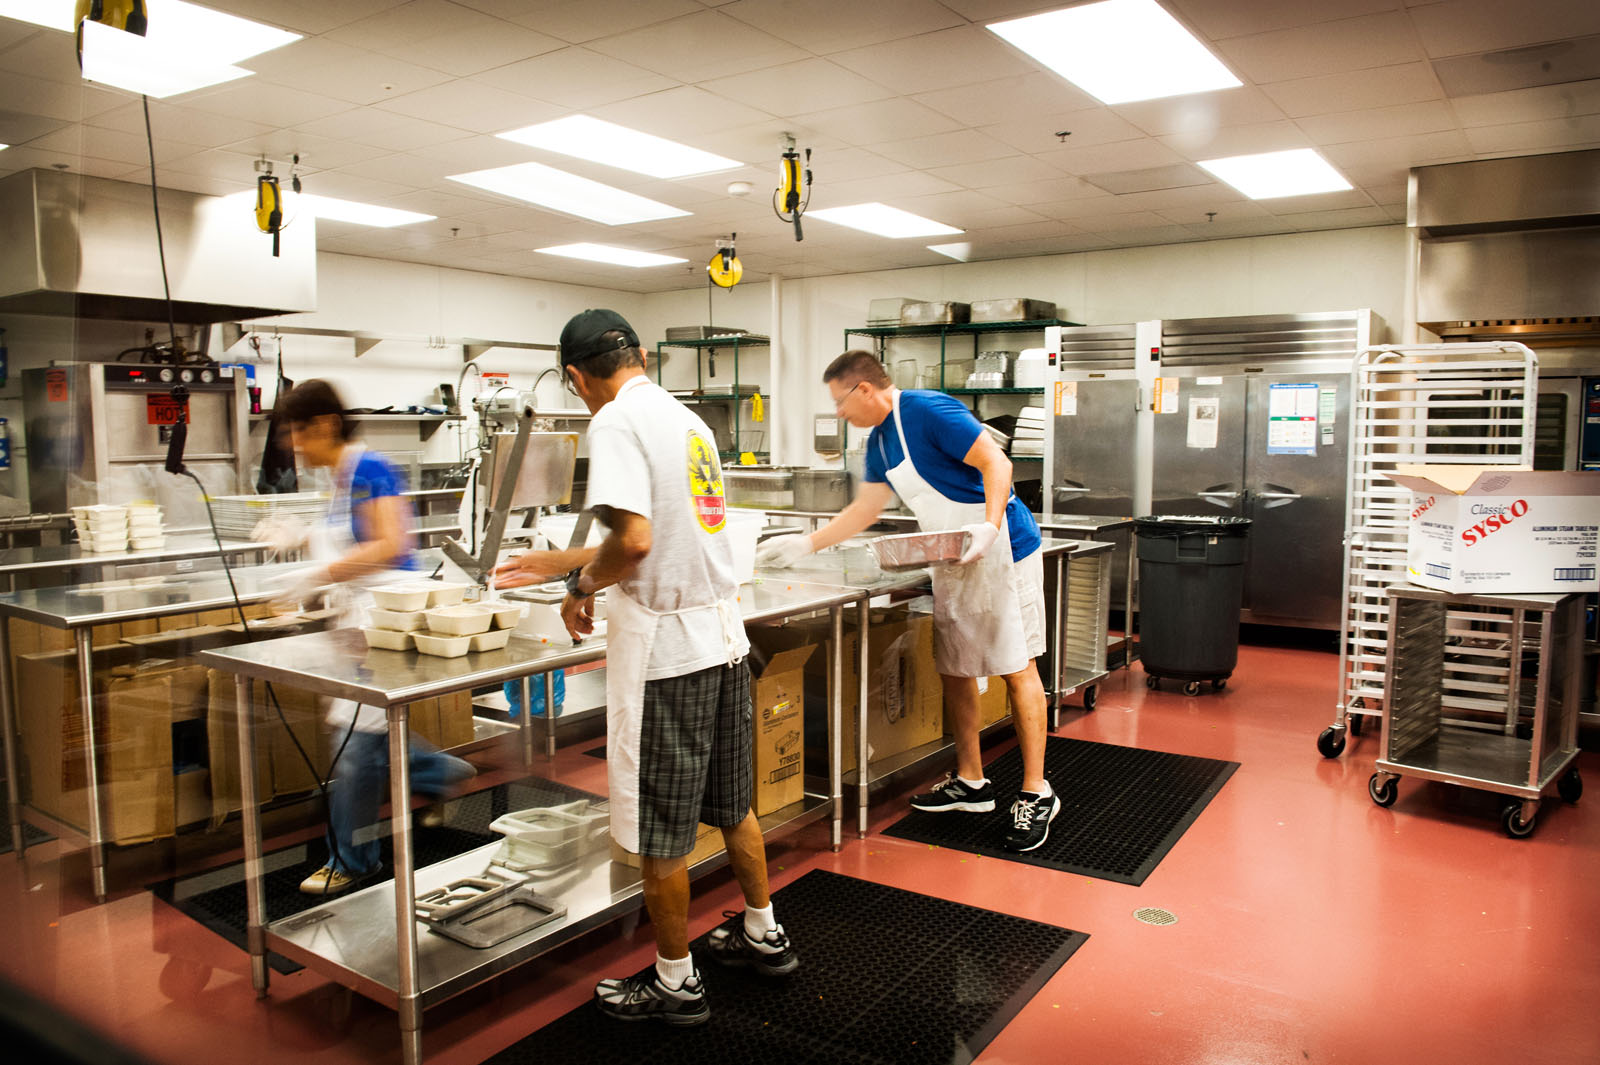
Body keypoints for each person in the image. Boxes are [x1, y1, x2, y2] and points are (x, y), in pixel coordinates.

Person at [493, 310, 796, 1027]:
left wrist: (578, 585)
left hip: (670, 659)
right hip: (722, 642)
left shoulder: (614, 421)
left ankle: (675, 980)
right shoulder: (685, 419)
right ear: (642, 354)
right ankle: (764, 932)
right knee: (734, 806)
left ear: (576, 375)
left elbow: (631, 542)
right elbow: (664, 536)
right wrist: (570, 561)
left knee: (661, 832)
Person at [756, 351, 1058, 852]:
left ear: (865, 390)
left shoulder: (928, 411)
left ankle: (1036, 792)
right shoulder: (878, 441)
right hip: (952, 556)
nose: (838, 414)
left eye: (840, 402)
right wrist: (806, 544)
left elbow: (996, 463)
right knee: (956, 666)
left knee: (1016, 666)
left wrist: (989, 525)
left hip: (1004, 547)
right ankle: (972, 782)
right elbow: (866, 508)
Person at [272, 380, 475, 895]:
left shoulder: (369, 468)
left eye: (300, 431)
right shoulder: (342, 478)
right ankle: (438, 771)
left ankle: (353, 859)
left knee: (355, 747)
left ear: (327, 424)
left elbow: (390, 544)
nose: (294, 444)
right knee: (362, 736)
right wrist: (303, 537)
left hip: (380, 622)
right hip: (354, 626)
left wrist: (318, 575)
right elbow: (352, 540)